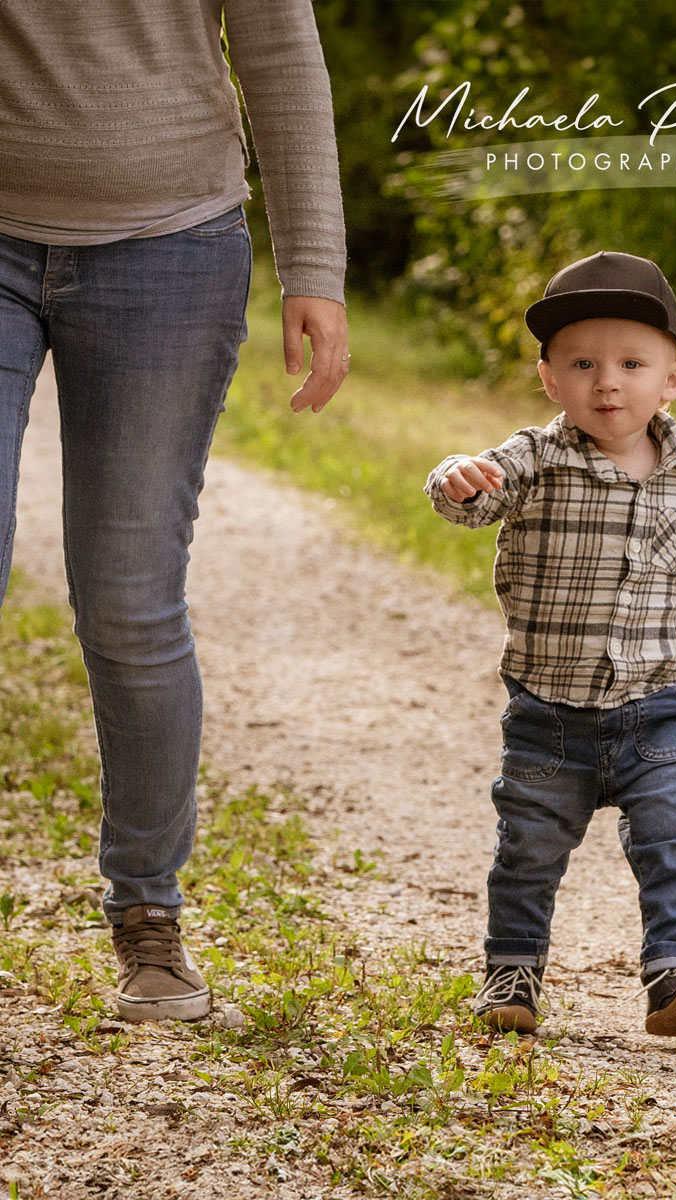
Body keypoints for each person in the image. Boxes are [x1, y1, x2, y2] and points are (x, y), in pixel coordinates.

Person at [0, 2, 349, 1021]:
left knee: (128, 597)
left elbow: (280, 47)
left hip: (171, 246)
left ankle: (148, 919)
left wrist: (313, 264)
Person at [425, 251, 676, 1037]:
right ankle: (512, 976)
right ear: (550, 378)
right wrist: (455, 477)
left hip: (656, 706)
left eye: (632, 363)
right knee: (527, 851)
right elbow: (468, 497)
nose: (608, 382)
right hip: (549, 713)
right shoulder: (534, 458)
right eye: (583, 363)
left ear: (673, 379)